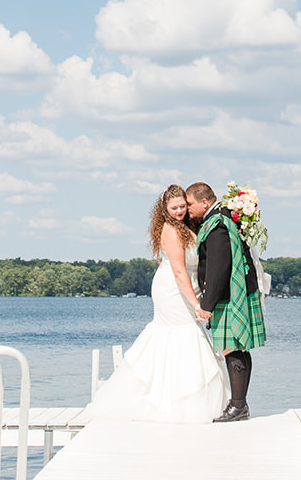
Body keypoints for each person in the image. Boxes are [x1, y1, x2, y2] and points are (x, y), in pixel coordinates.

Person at [84, 185, 229, 423]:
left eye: (183, 206)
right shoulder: (171, 230)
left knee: (181, 337)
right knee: (183, 335)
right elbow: (179, 270)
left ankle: (178, 396)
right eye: (174, 208)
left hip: (187, 286)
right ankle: (172, 400)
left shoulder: (187, 227)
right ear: (164, 209)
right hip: (173, 289)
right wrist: (196, 304)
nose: (180, 211)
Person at [187, 180, 266, 422]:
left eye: (190, 204)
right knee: (239, 348)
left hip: (230, 296)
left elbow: (219, 269)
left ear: (204, 202)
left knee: (233, 349)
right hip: (234, 292)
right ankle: (240, 404)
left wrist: (206, 305)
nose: (188, 209)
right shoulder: (223, 217)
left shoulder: (217, 227)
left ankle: (238, 406)